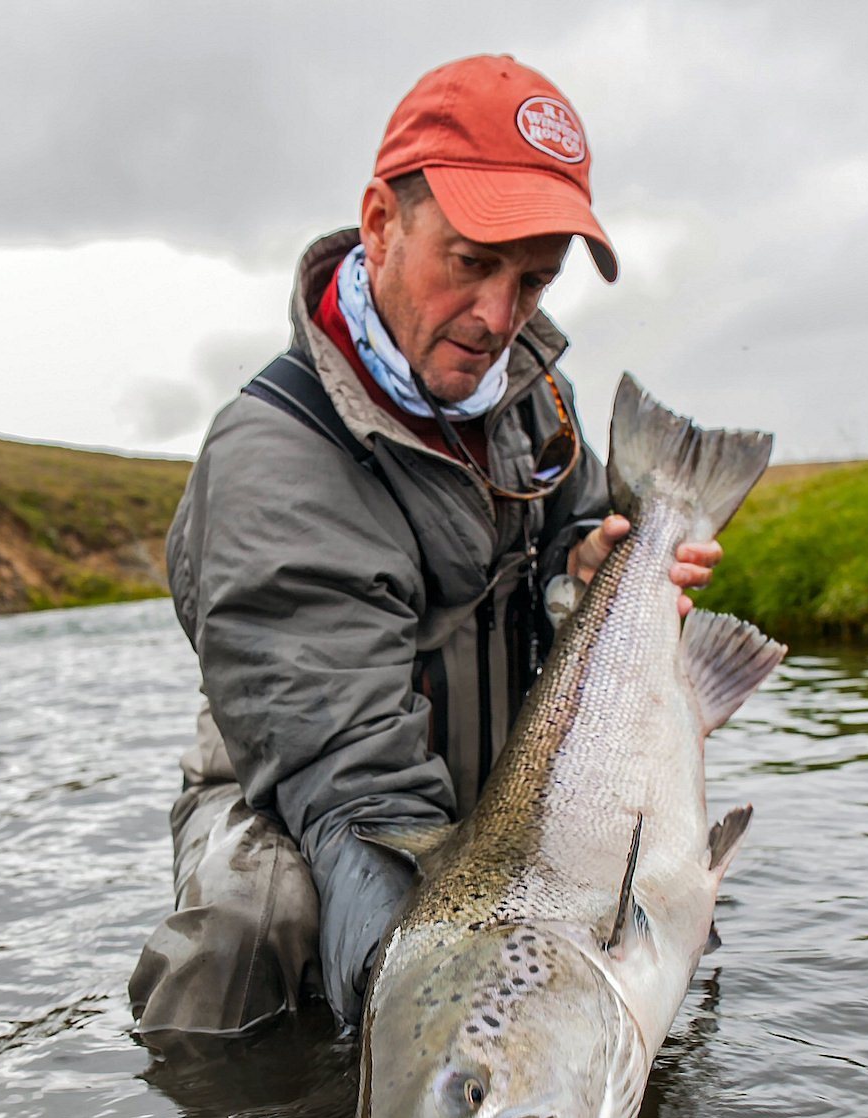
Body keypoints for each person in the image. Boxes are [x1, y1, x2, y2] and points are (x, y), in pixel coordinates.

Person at [130, 54, 722, 1047]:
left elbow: (568, 536)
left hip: (501, 785)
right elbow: (352, 781)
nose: (500, 318)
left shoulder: (538, 403)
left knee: (657, 904)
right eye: (471, 262)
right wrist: (439, 1028)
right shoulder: (272, 460)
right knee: (248, 937)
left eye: (534, 279)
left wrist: (586, 570)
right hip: (310, 785)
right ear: (380, 224)